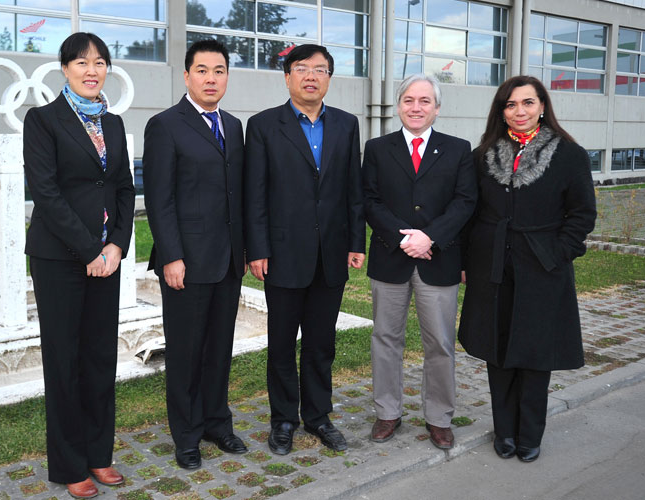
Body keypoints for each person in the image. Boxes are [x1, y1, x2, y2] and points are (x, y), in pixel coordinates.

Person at [458, 75, 596, 462]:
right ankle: (504, 431)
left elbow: (582, 214)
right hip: (493, 267)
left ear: (542, 106)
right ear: (501, 111)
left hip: (543, 267)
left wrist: (558, 252)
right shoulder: (483, 154)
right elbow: (470, 214)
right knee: (497, 351)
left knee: (535, 354)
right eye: (511, 104)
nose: (519, 111)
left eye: (528, 103)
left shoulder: (569, 153)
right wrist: (469, 261)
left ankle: (530, 434)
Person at [23, 33, 135, 498]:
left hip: (106, 260)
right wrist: (89, 249)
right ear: (64, 68)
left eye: (100, 62)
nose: (92, 70)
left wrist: (116, 247)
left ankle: (99, 454)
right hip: (60, 259)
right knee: (65, 362)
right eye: (82, 62)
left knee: (99, 359)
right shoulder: (43, 120)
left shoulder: (111, 123)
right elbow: (45, 193)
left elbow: (125, 190)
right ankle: (70, 464)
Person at [244, 44, 365, 455]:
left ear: (330, 78)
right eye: (302, 69)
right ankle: (283, 420)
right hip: (282, 254)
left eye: (320, 70)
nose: (311, 76)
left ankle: (318, 416)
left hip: (331, 254)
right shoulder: (262, 126)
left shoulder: (347, 125)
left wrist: (356, 242)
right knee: (281, 344)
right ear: (287, 77)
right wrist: (256, 248)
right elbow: (254, 194)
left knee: (320, 343)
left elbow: (353, 189)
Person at [143, 39, 247, 470]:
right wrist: (171, 255)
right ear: (186, 76)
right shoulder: (165, 125)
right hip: (185, 261)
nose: (211, 78)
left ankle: (215, 422)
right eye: (202, 70)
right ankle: (186, 435)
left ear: (226, 76)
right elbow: (159, 197)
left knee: (220, 348)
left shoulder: (234, 126)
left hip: (227, 260)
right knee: (186, 351)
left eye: (219, 70)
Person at [362, 74, 477, 450]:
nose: (416, 107)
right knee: (385, 339)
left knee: (440, 343)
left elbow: (465, 202)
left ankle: (439, 417)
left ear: (437, 108)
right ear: (399, 106)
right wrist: (405, 238)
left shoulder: (459, 149)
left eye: (424, 101)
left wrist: (430, 237)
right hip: (390, 260)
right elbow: (370, 201)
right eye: (409, 100)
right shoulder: (377, 149)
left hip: (438, 259)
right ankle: (388, 412)